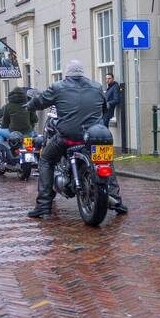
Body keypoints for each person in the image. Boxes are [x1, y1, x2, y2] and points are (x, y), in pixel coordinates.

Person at [26, 60, 128, 218]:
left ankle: (43, 205)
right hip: (93, 136)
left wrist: (30, 105)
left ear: (67, 74)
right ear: (82, 73)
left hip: (68, 136)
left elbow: (40, 102)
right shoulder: (97, 87)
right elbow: (104, 107)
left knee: (46, 159)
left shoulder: (58, 87)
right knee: (105, 161)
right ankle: (117, 201)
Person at [0, 87, 37, 157]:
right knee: (31, 142)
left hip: (13, 132)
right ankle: (30, 155)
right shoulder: (28, 105)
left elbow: (2, 119)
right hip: (27, 133)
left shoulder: (8, 106)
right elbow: (35, 119)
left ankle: (3, 150)